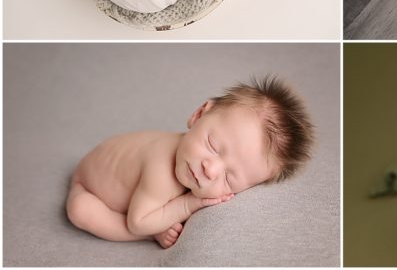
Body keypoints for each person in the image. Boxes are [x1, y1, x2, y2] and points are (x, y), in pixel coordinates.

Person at [66, 76, 314, 248]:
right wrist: (187, 205)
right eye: (213, 146)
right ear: (198, 115)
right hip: (90, 186)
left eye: (229, 178)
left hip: (117, 169)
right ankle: (147, 238)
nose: (211, 169)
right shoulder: (162, 171)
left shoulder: (189, 155)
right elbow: (137, 221)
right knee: (80, 211)